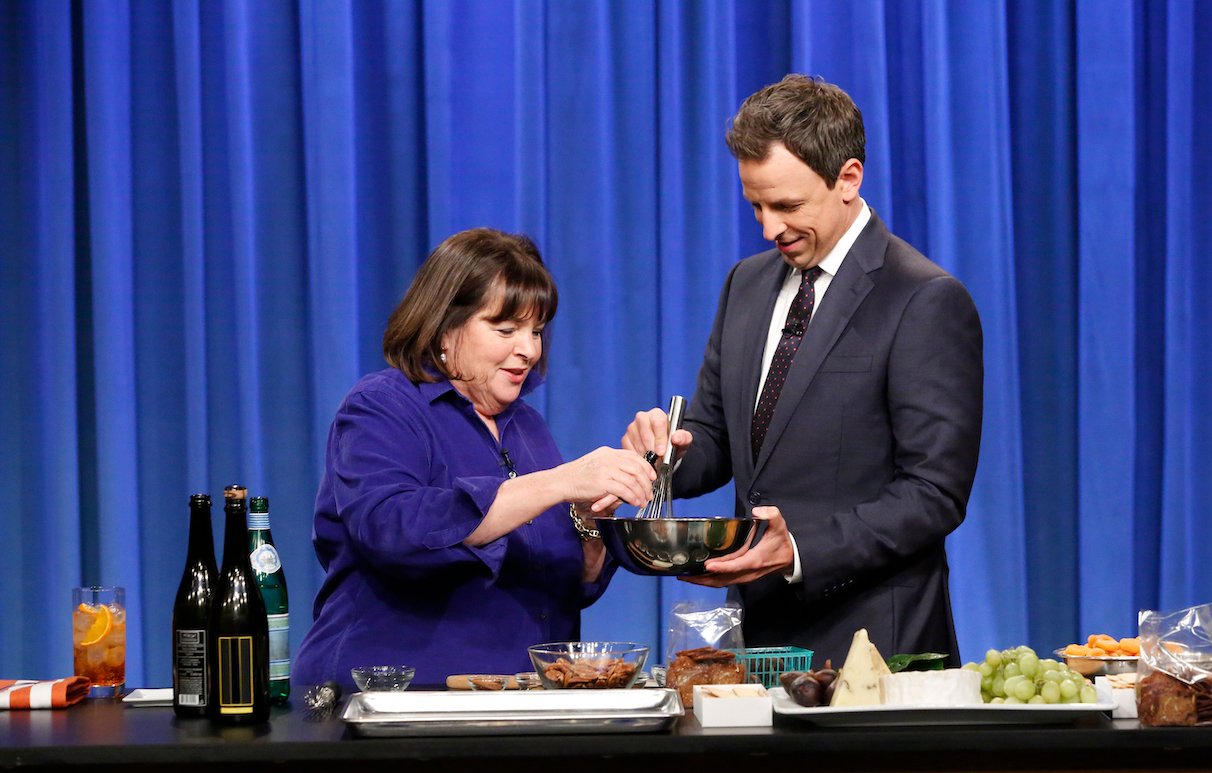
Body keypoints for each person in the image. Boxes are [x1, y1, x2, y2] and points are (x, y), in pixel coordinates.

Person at [616, 75, 983, 668]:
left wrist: (798, 549)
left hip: (874, 649)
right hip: (754, 640)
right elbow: (720, 439)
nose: (768, 228)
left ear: (848, 179)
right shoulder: (746, 284)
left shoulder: (923, 299)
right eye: (755, 205)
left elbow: (934, 493)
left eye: (787, 206)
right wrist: (666, 456)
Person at [294, 228, 656, 689]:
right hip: (394, 700)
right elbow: (394, 530)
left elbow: (568, 585)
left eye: (537, 331)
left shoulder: (527, 426)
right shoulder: (382, 405)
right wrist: (560, 482)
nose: (528, 349)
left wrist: (587, 522)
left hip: (515, 706)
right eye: (505, 329)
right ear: (445, 327)